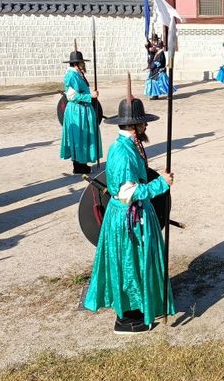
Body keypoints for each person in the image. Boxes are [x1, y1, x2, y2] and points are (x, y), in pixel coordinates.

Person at [83, 87, 174, 333]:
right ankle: (127, 318)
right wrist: (160, 184)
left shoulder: (128, 145)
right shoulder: (123, 152)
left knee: (134, 262)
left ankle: (139, 305)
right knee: (130, 263)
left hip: (130, 215)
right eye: (143, 123)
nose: (146, 128)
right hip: (128, 218)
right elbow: (127, 193)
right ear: (136, 126)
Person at [60, 45, 102, 174]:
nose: (84, 64)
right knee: (78, 136)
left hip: (83, 110)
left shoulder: (78, 73)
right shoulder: (71, 76)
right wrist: (90, 96)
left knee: (84, 136)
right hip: (77, 111)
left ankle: (82, 163)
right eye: (82, 62)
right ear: (77, 63)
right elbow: (72, 96)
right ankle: (78, 166)